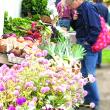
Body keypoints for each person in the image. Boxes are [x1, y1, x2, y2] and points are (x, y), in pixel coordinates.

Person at [63, 0, 101, 110]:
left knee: (89, 75)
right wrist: (74, 21)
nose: (70, 8)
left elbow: (96, 28)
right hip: (82, 45)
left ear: (76, 1)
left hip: (88, 47)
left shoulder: (88, 7)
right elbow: (79, 28)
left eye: (70, 5)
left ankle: (95, 102)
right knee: (83, 74)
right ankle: (87, 99)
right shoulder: (79, 9)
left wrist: (87, 42)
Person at [93, 0, 109, 68]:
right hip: (103, 28)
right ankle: (99, 62)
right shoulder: (105, 7)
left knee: (94, 44)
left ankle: (95, 62)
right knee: (100, 45)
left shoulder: (93, 6)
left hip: (95, 27)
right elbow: (107, 19)